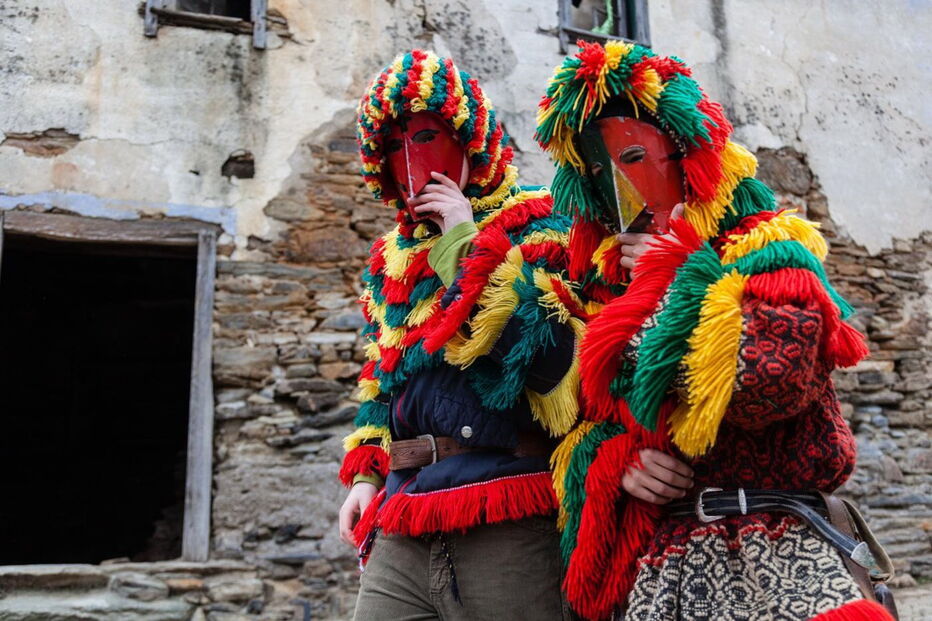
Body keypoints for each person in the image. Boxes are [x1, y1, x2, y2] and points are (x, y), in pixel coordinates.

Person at [536, 41, 896, 620]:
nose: (622, 189)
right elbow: (580, 420)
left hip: (777, 555)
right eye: (601, 170)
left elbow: (768, 386)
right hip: (664, 572)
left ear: (688, 154)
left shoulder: (769, 254)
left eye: (633, 158)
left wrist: (677, 280)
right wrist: (621, 462)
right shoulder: (605, 287)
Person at [338, 49, 584, 620]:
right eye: (392, 147)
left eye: (425, 137)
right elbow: (382, 377)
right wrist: (368, 474)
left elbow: (551, 362)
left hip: (508, 506)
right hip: (405, 508)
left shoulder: (543, 225)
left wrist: (462, 245)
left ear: (473, 143)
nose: (410, 163)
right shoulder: (390, 261)